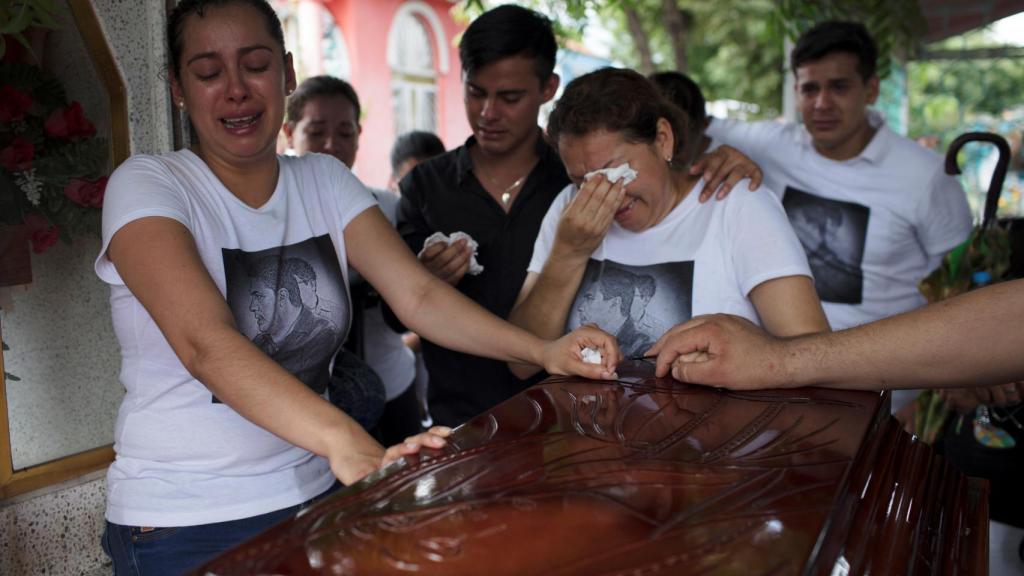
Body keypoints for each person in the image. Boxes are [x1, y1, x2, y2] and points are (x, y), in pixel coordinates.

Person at [94, 2, 620, 573]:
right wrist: (352, 445)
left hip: (314, 494)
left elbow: (417, 296)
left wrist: (542, 350)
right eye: (208, 72)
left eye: (255, 65)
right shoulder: (148, 186)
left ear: (288, 73)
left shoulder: (323, 180)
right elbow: (206, 346)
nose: (237, 90)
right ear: (178, 87)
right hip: (185, 520)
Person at [396, 4, 763, 427]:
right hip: (463, 414)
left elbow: (659, 171)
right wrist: (422, 275)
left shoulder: (573, 175)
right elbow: (397, 307)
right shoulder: (426, 186)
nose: (488, 112)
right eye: (476, 92)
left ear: (547, 88)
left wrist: (724, 164)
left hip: (563, 426)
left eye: (510, 97)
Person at [508, 67, 829, 374]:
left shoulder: (736, 205)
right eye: (581, 180)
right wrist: (567, 254)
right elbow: (522, 364)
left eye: (614, 172)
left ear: (663, 139)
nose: (604, 194)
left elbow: (812, 355)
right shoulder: (569, 207)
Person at [705, 20, 972, 332]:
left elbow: (961, 285)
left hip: (883, 373)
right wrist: (718, 155)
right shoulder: (770, 145)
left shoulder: (927, 176)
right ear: (796, 92)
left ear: (871, 90)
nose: (822, 104)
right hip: (780, 364)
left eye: (839, 87)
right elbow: (685, 128)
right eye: (810, 89)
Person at [283, 75, 420, 444]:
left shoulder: (387, 208)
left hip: (393, 385)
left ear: (360, 134)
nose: (332, 146)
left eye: (345, 133)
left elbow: (420, 297)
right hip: (311, 405)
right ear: (289, 133)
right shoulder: (275, 219)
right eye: (316, 132)